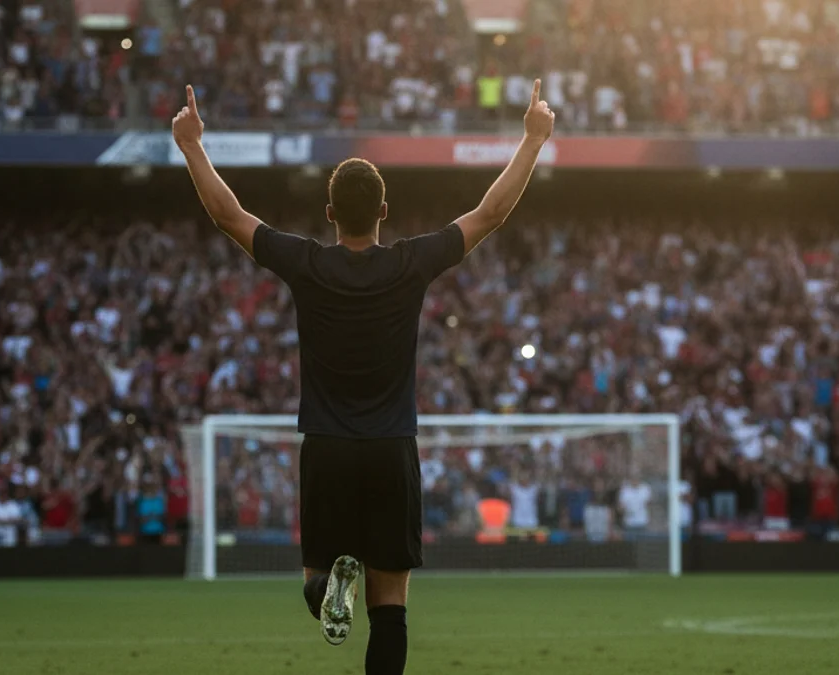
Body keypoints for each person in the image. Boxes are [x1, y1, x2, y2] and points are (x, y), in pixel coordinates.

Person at [173, 81, 554, 674]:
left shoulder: (308, 264)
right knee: (392, 610)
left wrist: (193, 146)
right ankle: (345, 591)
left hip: (326, 447)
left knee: (313, 580)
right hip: (389, 447)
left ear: (329, 214)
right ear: (383, 210)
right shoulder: (410, 264)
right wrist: (532, 140)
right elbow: (491, 213)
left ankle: (324, 583)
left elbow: (228, 215)